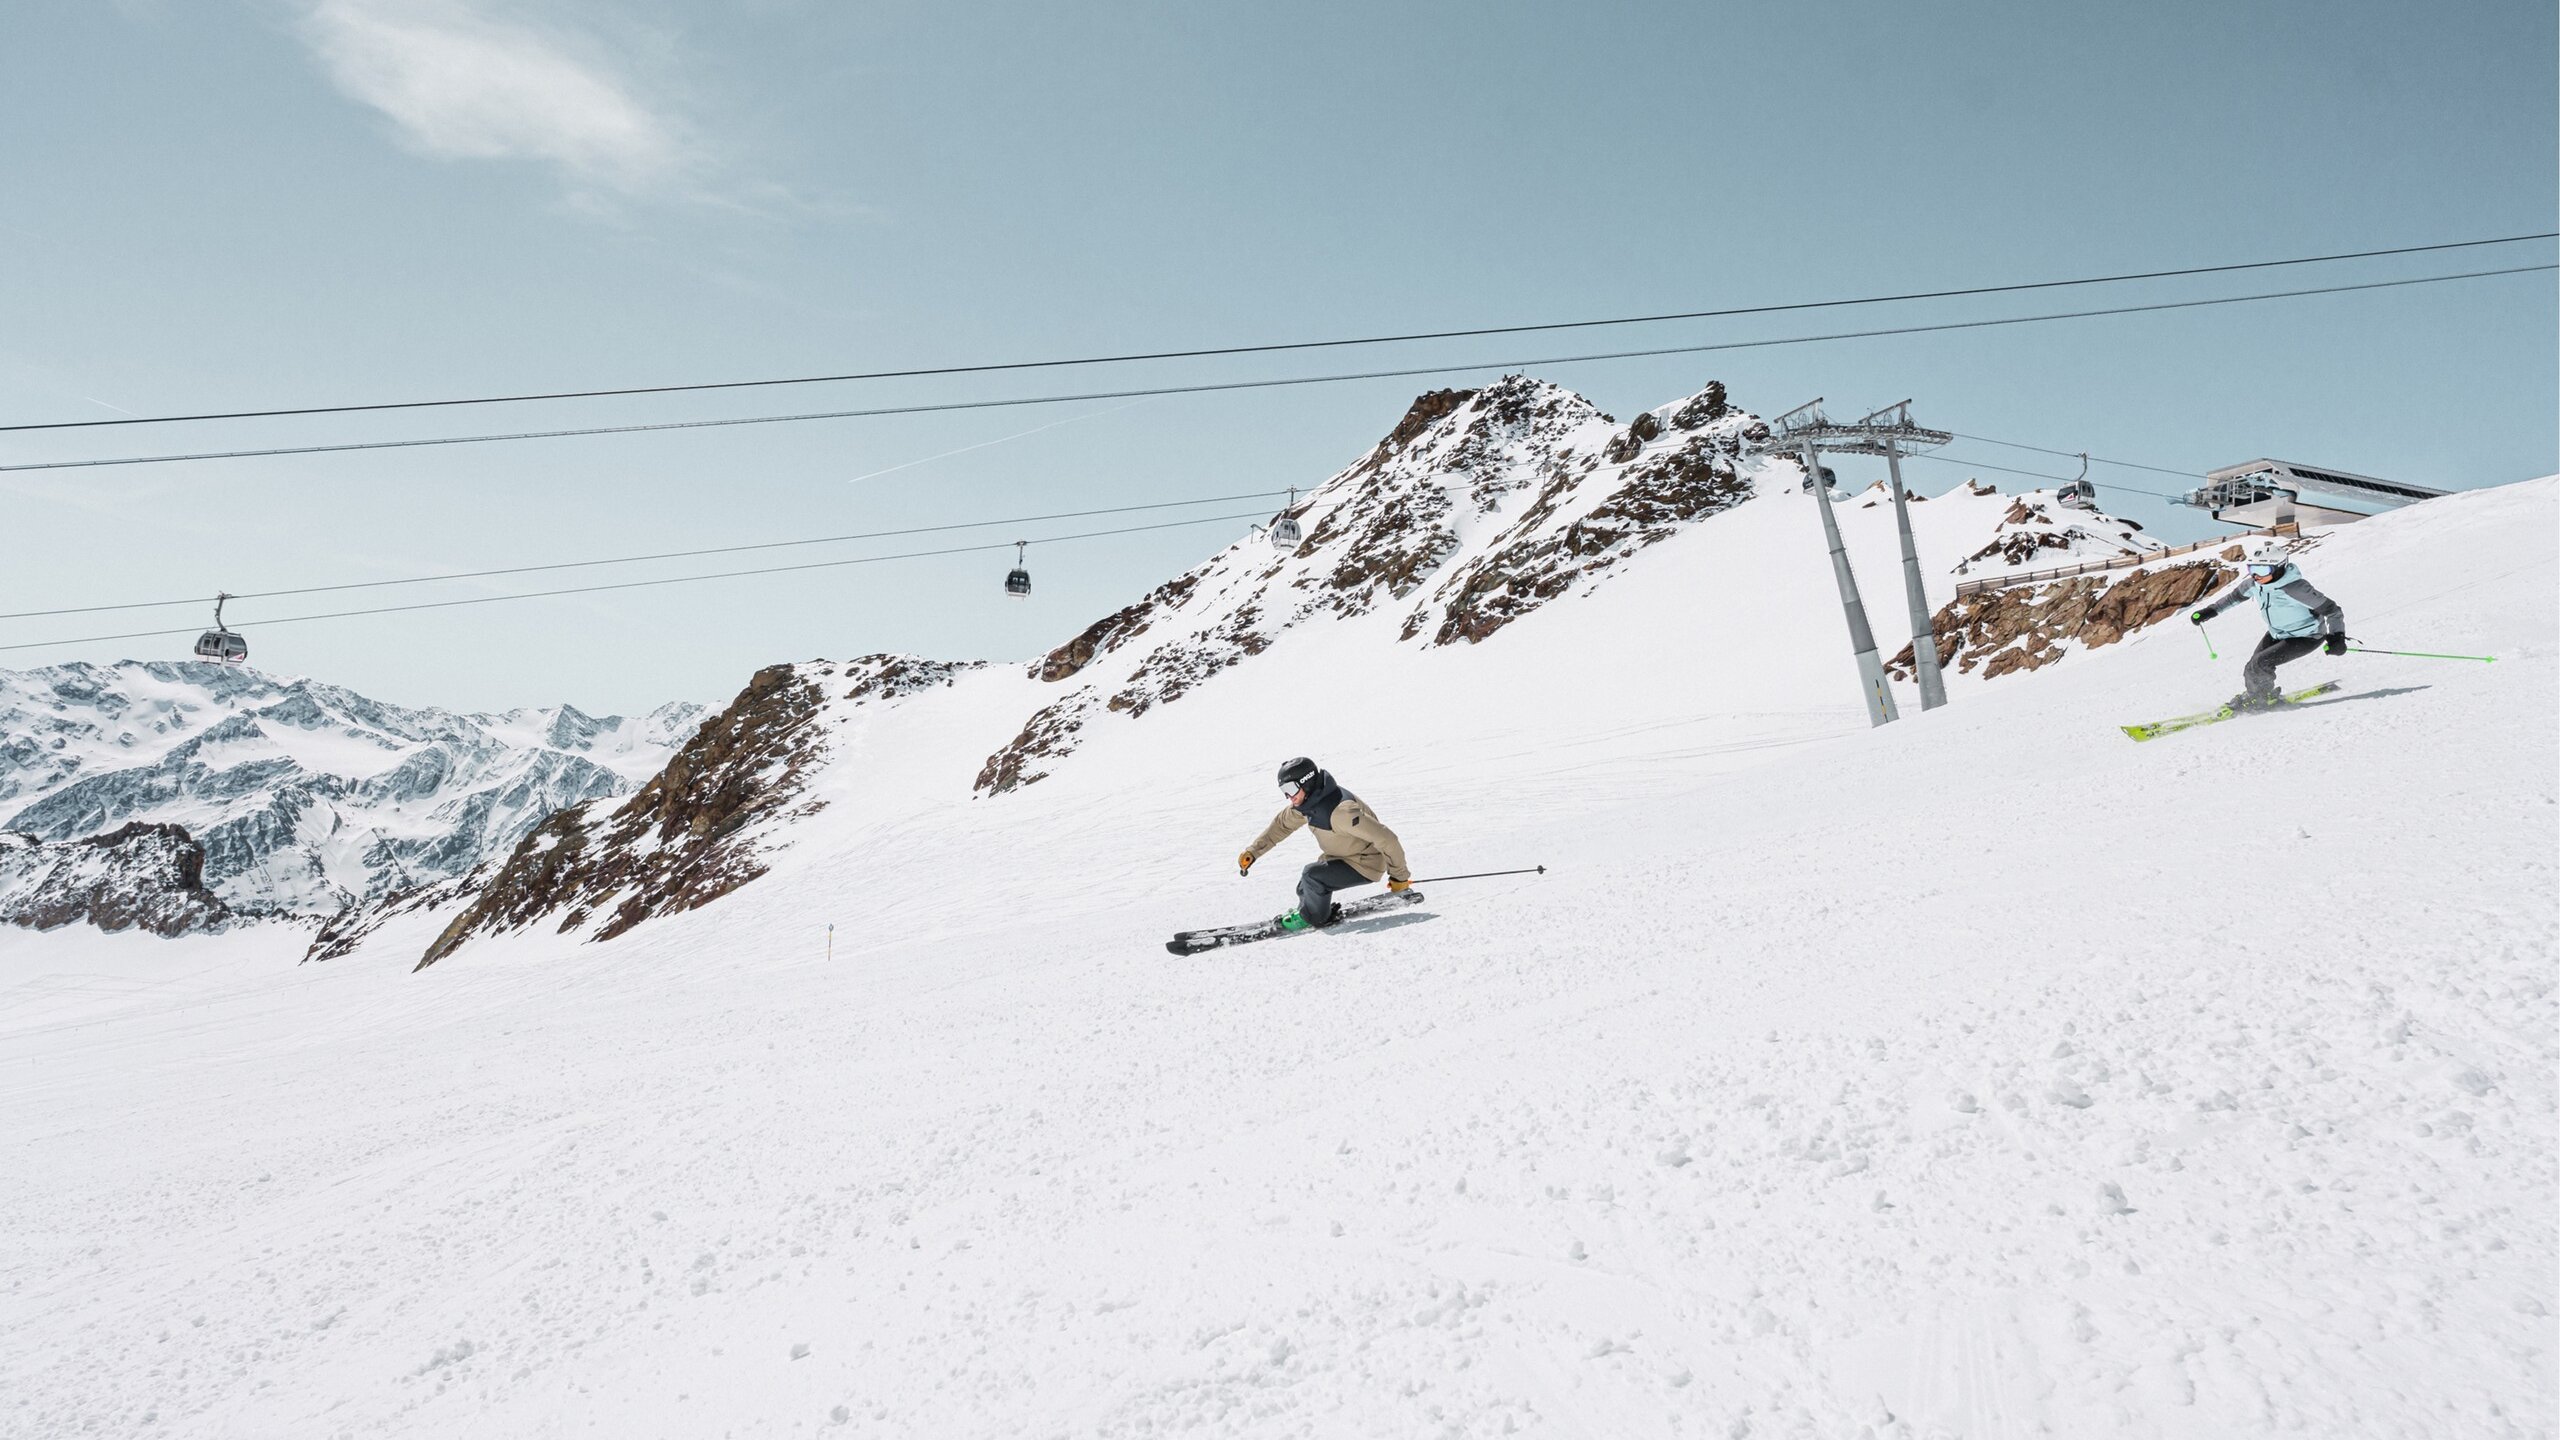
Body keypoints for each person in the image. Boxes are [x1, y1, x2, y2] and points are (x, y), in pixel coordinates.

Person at [1238, 757, 1413, 931]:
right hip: (1342, 855)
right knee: (1304, 887)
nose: (1288, 796)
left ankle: (1313, 917)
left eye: (1291, 788)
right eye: (1284, 790)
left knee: (1312, 876)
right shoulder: (1307, 802)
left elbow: (1387, 839)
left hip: (1365, 863)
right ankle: (1307, 910)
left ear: (1306, 783)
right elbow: (1281, 825)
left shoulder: (1340, 812)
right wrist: (1253, 852)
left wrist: (1400, 878)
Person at [2190, 553, 2348, 711]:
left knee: (2260, 664)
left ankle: (2261, 699)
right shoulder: (2253, 584)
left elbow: (2332, 610)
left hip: (2307, 636)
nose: (2256, 575)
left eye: (2262, 569)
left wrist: (2337, 637)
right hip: (2278, 633)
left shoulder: (2296, 588)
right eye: (2252, 568)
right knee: (2252, 666)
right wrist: (2210, 611)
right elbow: (2232, 599)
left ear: (2278, 569)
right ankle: (2258, 695)